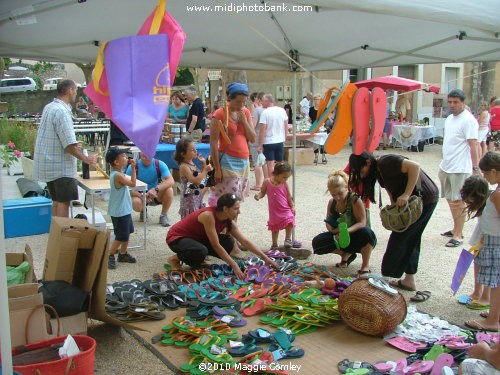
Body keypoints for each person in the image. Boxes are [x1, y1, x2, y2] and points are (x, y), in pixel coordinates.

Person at [348, 152, 439, 291]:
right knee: (412, 237)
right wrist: (394, 208)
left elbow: (415, 166)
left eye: (361, 170)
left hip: (424, 199)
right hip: (414, 203)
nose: (361, 175)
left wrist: (406, 194)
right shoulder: (378, 171)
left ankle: (386, 277)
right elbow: (391, 189)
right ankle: (409, 280)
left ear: (367, 162)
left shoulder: (386, 162)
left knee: (401, 238)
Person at [166, 193, 279, 279]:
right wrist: (234, 265)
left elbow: (244, 241)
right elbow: (215, 245)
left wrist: (265, 258)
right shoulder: (208, 216)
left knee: (229, 242)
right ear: (225, 208)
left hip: (197, 238)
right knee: (200, 251)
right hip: (177, 238)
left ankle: (197, 258)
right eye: (236, 208)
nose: (239, 212)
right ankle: (176, 258)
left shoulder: (228, 220)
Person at [33, 79, 97, 218]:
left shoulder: (50, 107)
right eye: (75, 90)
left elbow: (58, 137)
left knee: (56, 201)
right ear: (70, 90)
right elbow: (68, 145)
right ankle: (63, 234)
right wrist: (86, 159)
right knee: (64, 203)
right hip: (60, 167)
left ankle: (57, 233)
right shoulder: (62, 111)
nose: (76, 93)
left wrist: (74, 143)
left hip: (49, 164)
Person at [461, 152, 500, 332]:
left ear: (494, 171)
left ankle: (493, 321)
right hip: (492, 238)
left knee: (495, 283)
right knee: (495, 281)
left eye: (485, 173)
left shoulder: (496, 195)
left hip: (496, 241)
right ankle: (495, 313)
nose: (484, 177)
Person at [312, 170, 377, 275]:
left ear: (346, 187)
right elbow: (328, 221)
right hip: (339, 236)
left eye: (340, 193)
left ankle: (365, 265)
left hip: (356, 234)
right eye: (333, 195)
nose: (337, 197)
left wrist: (345, 231)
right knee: (317, 243)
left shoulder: (355, 200)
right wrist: (333, 231)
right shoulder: (332, 202)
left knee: (367, 233)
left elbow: (362, 222)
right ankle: (345, 254)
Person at [438, 89, 479, 248]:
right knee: (450, 199)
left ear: (463, 102)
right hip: (447, 165)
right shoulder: (449, 118)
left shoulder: (468, 120)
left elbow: (473, 145)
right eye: (450, 102)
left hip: (460, 167)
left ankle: (458, 234)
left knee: (458, 201)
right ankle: (456, 227)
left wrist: (475, 167)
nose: (452, 105)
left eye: (456, 102)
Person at [208, 82, 255, 207]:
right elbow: (213, 142)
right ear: (229, 98)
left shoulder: (245, 112)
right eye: (238, 101)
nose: (241, 105)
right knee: (230, 201)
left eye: (244, 102)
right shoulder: (219, 114)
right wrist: (217, 169)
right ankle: (228, 225)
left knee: (237, 200)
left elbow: (253, 138)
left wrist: (244, 121)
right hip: (227, 161)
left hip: (244, 162)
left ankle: (231, 225)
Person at [105, 148, 137, 269]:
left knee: (127, 231)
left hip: (124, 209)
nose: (126, 158)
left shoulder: (118, 173)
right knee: (121, 235)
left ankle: (123, 253)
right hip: (119, 211)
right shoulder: (117, 175)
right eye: (123, 156)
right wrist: (134, 168)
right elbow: (133, 184)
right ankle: (110, 254)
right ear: (116, 162)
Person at [254, 161, 295, 250]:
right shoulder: (267, 182)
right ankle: (274, 244)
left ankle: (288, 239)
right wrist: (258, 196)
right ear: (276, 173)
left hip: (285, 208)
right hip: (274, 210)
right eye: (284, 177)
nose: (285, 179)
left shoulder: (284, 183)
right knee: (275, 227)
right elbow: (262, 192)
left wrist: (292, 206)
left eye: (287, 177)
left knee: (290, 220)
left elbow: (288, 195)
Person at [126, 152, 174, 227]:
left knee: (169, 190)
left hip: (155, 194)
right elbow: (126, 188)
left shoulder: (159, 164)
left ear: (153, 152)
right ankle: (143, 210)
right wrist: (141, 196)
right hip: (140, 194)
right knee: (136, 203)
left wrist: (156, 189)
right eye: (142, 150)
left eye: (148, 150)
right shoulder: (133, 166)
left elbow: (171, 180)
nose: (145, 152)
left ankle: (163, 215)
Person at [175, 138, 212, 219]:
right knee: (190, 219)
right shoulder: (184, 166)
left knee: (196, 218)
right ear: (183, 154)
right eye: (192, 150)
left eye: (195, 148)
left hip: (195, 196)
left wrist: (203, 164)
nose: (195, 151)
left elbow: (200, 177)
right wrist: (205, 170)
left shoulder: (191, 163)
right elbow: (195, 181)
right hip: (189, 199)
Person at [258, 93, 288, 175]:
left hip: (269, 142)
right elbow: (286, 126)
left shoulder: (265, 113)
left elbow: (262, 130)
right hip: (280, 141)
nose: (261, 103)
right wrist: (284, 138)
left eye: (263, 101)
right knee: (280, 164)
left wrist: (260, 145)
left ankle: (272, 181)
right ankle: (280, 180)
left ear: (267, 101)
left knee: (270, 165)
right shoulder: (282, 110)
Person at [249, 91, 266, 191]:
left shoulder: (257, 110)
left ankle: (258, 185)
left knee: (257, 162)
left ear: (258, 99)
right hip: (265, 139)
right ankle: (265, 182)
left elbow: (252, 125)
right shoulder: (266, 110)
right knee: (264, 162)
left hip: (256, 139)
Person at [309, 93, 327, 164]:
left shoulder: (324, 109)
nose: (317, 101)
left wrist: (323, 122)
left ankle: (323, 156)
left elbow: (326, 117)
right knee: (315, 142)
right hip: (314, 127)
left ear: (321, 100)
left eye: (318, 99)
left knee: (323, 142)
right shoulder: (311, 109)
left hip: (322, 127)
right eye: (315, 99)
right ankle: (316, 156)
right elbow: (310, 118)